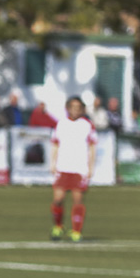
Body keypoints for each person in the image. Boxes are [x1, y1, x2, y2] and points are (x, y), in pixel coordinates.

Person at [49, 96, 97, 243]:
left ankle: (76, 231)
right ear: (67, 108)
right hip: (63, 166)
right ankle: (58, 226)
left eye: (78, 108)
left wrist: (91, 166)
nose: (75, 110)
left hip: (79, 167)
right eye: (73, 107)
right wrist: (52, 163)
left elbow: (92, 146)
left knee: (77, 200)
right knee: (58, 199)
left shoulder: (87, 125)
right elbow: (55, 144)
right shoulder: (61, 124)